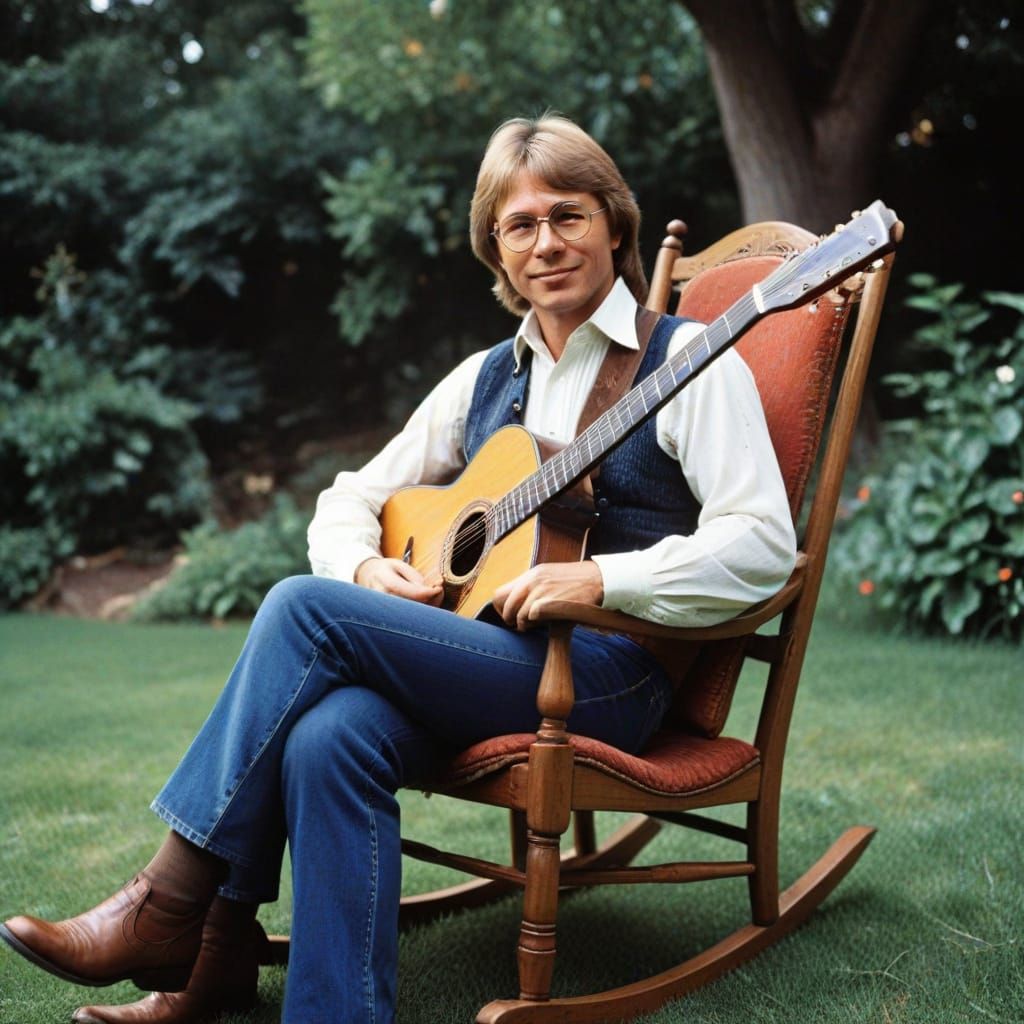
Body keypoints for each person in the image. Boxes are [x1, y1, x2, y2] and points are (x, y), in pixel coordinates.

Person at [0, 113, 796, 1024]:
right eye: (519, 225)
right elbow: (349, 495)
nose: (546, 242)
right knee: (327, 734)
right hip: (488, 658)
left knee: (304, 611)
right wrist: (368, 567)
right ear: (496, 251)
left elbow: (764, 543)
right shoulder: (485, 378)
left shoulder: (689, 361)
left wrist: (602, 582)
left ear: (615, 222)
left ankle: (174, 909)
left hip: (612, 675)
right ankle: (293, 994)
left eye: (567, 215)